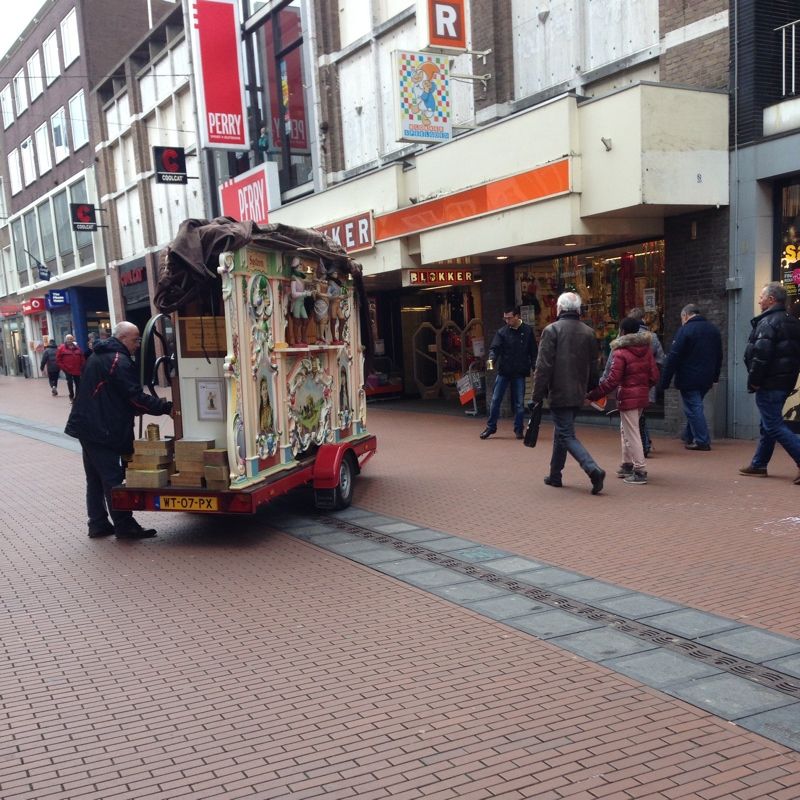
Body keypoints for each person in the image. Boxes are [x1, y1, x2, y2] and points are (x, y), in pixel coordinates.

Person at [65, 321, 173, 540]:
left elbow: (113, 394)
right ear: (123, 338)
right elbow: (134, 397)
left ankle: (98, 523)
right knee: (112, 477)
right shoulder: (118, 360)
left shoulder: (98, 355)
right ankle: (125, 525)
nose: (137, 345)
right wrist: (165, 407)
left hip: (88, 425)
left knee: (95, 478)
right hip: (101, 428)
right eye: (135, 340)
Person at [531, 292, 606, 494]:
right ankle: (555, 475)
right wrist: (592, 389)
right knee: (562, 432)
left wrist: (536, 396)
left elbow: (543, 366)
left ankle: (592, 469)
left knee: (565, 433)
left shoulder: (552, 330)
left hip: (559, 391)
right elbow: (594, 364)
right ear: (578, 309)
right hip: (578, 390)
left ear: (560, 308)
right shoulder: (588, 332)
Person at [587, 317, 659, 485]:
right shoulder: (646, 350)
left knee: (631, 432)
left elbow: (612, 380)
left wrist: (594, 394)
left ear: (623, 331)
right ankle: (627, 464)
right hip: (641, 396)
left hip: (627, 396)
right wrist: (643, 387)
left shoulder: (620, 352)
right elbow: (655, 375)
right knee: (626, 429)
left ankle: (639, 469)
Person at [740, 282, 800, 481]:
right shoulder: (792, 321)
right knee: (767, 424)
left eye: (761, 297)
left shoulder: (768, 322)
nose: (759, 301)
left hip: (770, 383)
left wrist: (754, 381)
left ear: (771, 300)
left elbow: (761, 356)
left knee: (773, 425)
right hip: (785, 381)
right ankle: (759, 464)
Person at [659, 303, 722, 451]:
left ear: (685, 315)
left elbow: (674, 356)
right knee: (694, 406)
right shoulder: (713, 330)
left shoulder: (685, 330)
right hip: (707, 376)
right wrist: (715, 376)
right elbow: (719, 356)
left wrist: (664, 381)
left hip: (688, 377)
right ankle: (688, 435)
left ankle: (702, 440)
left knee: (693, 408)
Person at [479, 305, 538, 440]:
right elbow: (494, 349)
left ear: (517, 316)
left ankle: (518, 429)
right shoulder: (502, 332)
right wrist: (490, 362)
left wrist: (535, 368)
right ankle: (491, 427)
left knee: (519, 403)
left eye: (509, 318)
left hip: (519, 371)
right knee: (495, 399)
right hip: (504, 371)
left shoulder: (527, 331)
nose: (507, 321)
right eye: (505, 318)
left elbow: (533, 352)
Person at [627, 307, 664, 456]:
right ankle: (644, 443)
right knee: (641, 414)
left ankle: (643, 445)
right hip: (646, 382)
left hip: (630, 382)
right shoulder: (652, 337)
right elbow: (661, 359)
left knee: (635, 417)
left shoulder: (625, 337)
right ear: (643, 319)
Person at [56, 334, 86, 401]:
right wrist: (63, 368)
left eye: (71, 339)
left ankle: (77, 397)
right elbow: (58, 360)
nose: (69, 340)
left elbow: (82, 358)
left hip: (77, 369)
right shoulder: (61, 348)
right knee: (70, 383)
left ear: (73, 339)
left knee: (78, 384)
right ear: (66, 340)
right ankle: (71, 395)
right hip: (67, 369)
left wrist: (82, 366)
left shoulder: (77, 348)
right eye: (68, 339)